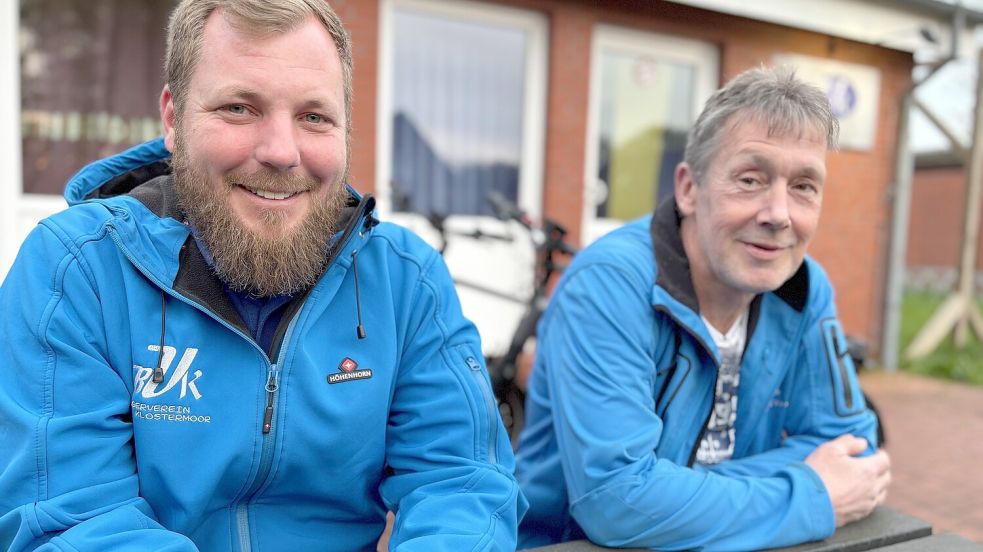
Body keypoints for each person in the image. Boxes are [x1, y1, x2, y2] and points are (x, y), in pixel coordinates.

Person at [0, 1, 524, 550]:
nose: (281, 151)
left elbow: (462, 484)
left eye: (314, 116)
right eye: (239, 108)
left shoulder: (405, 281)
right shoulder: (77, 270)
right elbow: (73, 520)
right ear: (174, 121)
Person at [515, 66, 891, 551]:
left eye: (804, 186)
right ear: (689, 189)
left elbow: (855, 448)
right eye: (751, 179)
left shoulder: (803, 285)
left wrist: (672, 488)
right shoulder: (608, 285)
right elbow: (616, 502)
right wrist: (812, 493)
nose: (778, 214)